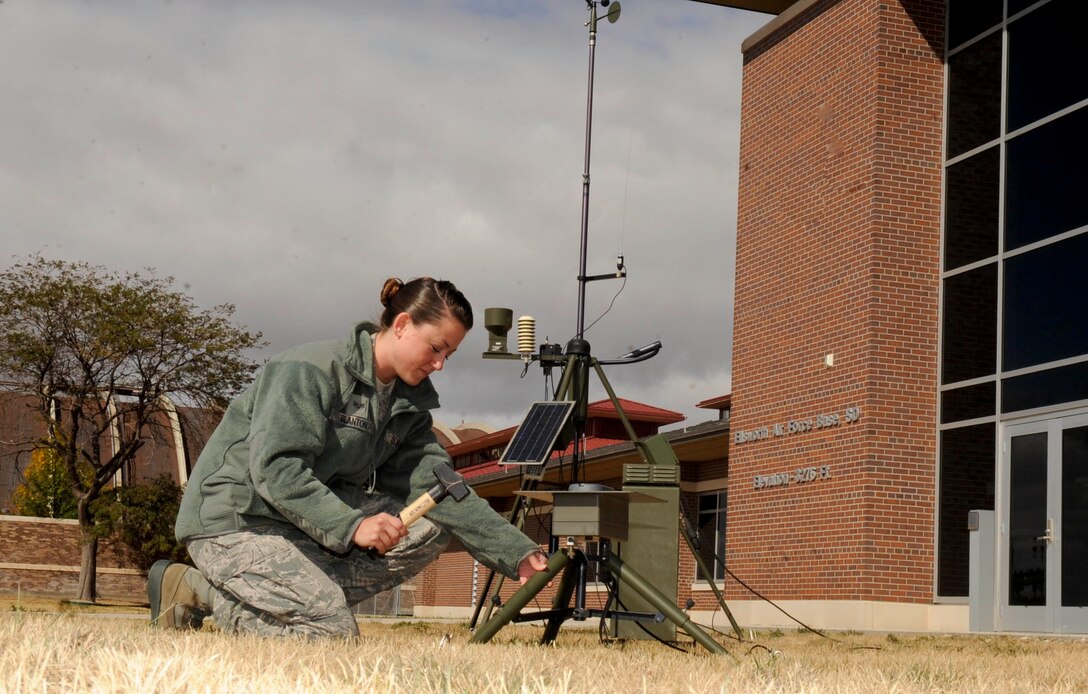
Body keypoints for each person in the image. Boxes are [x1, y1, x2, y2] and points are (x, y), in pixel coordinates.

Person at [149, 276, 549, 637]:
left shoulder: (407, 405)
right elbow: (277, 469)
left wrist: (515, 549)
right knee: (332, 635)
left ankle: (288, 598)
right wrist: (352, 525)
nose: (440, 364)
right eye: (436, 348)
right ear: (403, 324)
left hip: (302, 527)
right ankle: (214, 591)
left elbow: (438, 486)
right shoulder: (309, 370)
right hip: (236, 520)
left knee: (430, 525)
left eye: (449, 355)